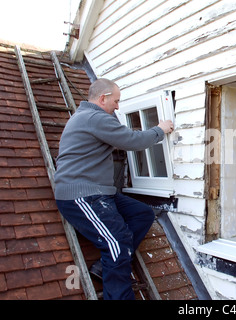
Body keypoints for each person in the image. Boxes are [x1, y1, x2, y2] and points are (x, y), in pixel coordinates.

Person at [54, 78, 173, 300]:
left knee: (143, 214)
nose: (118, 106)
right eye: (116, 101)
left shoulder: (87, 117)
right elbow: (131, 140)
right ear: (103, 98)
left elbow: (122, 136)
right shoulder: (94, 118)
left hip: (100, 192)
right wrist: (160, 129)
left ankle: (103, 266)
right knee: (117, 242)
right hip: (81, 195)